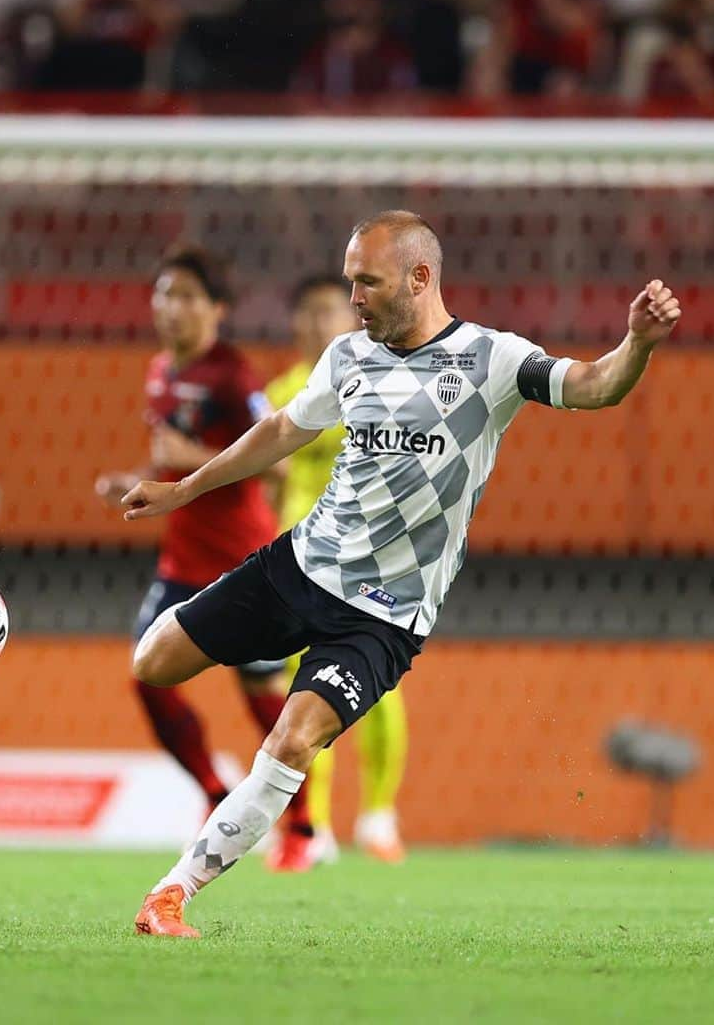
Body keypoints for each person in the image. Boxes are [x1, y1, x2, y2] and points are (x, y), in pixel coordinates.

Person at [116, 210, 682, 938]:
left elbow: (597, 384)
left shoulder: (493, 360)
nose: (353, 297)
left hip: (384, 615)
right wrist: (186, 486)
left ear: (420, 278)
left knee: (292, 742)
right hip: (300, 566)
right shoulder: (350, 356)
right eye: (350, 280)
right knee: (153, 663)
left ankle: (170, 895)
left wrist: (636, 342)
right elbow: (283, 431)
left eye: (366, 282)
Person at [94, 243, 315, 872]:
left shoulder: (234, 377)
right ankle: (213, 792)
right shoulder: (161, 369)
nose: (173, 308)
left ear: (217, 310)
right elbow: (174, 456)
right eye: (165, 293)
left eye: (189, 296)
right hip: (180, 563)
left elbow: (266, 456)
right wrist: (138, 477)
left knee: (261, 688)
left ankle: (301, 825)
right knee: (147, 674)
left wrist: (185, 458)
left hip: (240, 558)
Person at [266, 276, 410, 865]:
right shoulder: (282, 390)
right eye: (305, 313)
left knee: (379, 688)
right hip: (302, 554)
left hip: (373, 554)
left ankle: (378, 815)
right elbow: (265, 466)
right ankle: (314, 826)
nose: (315, 323)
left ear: (351, 316)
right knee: (301, 689)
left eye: (327, 310)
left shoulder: (388, 380)